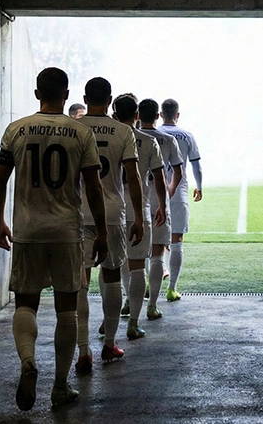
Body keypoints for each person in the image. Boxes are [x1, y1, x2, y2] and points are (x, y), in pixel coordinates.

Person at [0, 67, 108, 410]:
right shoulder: (79, 132)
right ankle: (59, 385)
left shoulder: (17, 130)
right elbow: (94, 187)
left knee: (25, 303)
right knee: (66, 309)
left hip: (27, 230)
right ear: (66, 95)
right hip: (66, 231)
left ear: (36, 91)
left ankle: (28, 361)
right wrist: (100, 232)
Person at [75, 78, 146, 372]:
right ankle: (109, 344)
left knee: (80, 281)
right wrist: (139, 216)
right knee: (113, 274)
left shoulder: (74, 128)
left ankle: (82, 351)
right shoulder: (123, 131)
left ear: (84, 97)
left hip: (77, 212)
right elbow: (133, 176)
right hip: (112, 211)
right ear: (110, 99)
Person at [111, 94, 169, 340]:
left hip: (112, 210)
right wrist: (163, 206)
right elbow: (159, 178)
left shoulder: (105, 138)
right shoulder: (147, 141)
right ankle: (133, 323)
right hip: (139, 211)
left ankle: (109, 320)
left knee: (111, 268)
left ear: (114, 115)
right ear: (137, 116)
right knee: (137, 267)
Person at [137, 98, 184, 319]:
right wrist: (170, 190)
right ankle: (152, 306)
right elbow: (178, 172)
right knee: (157, 252)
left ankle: (130, 301)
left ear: (138, 115)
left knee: (133, 256)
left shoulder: (130, 137)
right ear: (157, 116)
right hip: (158, 199)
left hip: (133, 199)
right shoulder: (167, 139)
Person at [158, 99, 203, 301]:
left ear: (160, 114)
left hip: (154, 192)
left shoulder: (151, 134)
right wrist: (199, 186)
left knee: (154, 241)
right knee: (177, 240)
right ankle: (172, 288)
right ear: (177, 115)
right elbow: (195, 165)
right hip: (178, 192)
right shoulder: (187, 136)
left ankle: (151, 284)